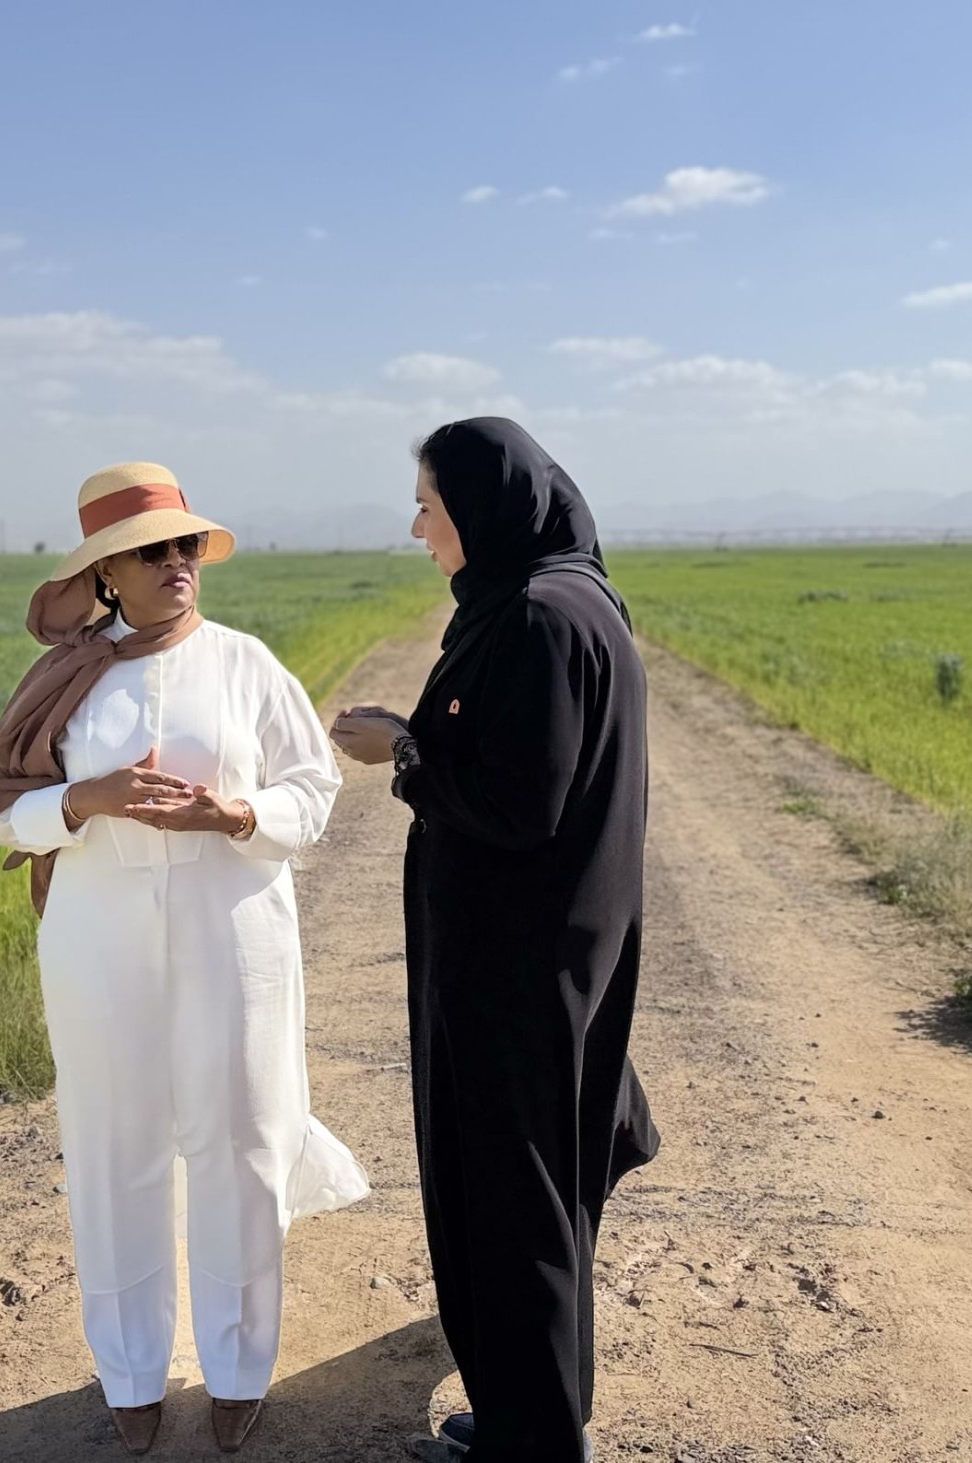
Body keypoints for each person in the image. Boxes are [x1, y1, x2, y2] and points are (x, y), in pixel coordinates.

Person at [0, 463, 369, 1455]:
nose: (176, 562)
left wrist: (234, 811)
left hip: (233, 935)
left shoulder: (245, 664)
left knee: (236, 1138)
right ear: (106, 571)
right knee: (115, 1148)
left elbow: (311, 790)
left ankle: (239, 1366)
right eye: (151, 549)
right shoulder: (67, 676)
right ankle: (130, 1368)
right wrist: (80, 802)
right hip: (95, 944)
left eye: (186, 544)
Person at [331, 419, 659, 1462]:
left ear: (481, 508)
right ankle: (545, 1408)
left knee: (511, 1201)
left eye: (429, 502)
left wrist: (404, 750)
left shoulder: (532, 618)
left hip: (512, 968)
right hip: (553, 951)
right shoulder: (572, 595)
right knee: (543, 1189)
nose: (417, 524)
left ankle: (529, 1443)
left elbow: (519, 804)